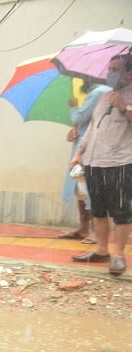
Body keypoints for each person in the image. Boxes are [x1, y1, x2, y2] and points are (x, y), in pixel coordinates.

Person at [70, 54, 132, 276]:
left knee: (122, 212)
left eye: (115, 68)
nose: (110, 72)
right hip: (94, 163)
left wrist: (125, 108)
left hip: (120, 163)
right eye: (110, 68)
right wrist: (79, 152)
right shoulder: (103, 97)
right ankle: (102, 250)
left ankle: (118, 256)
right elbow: (93, 128)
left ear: (129, 73)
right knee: (98, 210)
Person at [59, 79, 111, 243]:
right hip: (84, 146)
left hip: (91, 150)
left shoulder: (98, 92)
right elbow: (87, 123)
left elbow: (82, 117)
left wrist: (74, 107)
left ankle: (95, 233)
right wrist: (73, 130)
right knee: (81, 190)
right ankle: (83, 228)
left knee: (89, 190)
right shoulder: (100, 92)